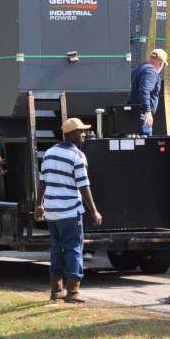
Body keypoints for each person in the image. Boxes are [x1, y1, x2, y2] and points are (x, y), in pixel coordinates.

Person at [35, 117, 103, 304]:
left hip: (52, 212)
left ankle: (56, 290)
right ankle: (73, 292)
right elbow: (84, 186)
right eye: (80, 131)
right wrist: (94, 211)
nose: (83, 134)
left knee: (56, 249)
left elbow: (42, 182)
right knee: (74, 249)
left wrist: (39, 205)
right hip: (69, 212)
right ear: (70, 135)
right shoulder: (78, 156)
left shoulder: (49, 153)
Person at [127, 48, 167, 136]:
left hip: (134, 114)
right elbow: (144, 91)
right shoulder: (151, 71)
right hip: (142, 116)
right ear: (161, 63)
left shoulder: (140, 68)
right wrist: (148, 112)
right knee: (146, 147)